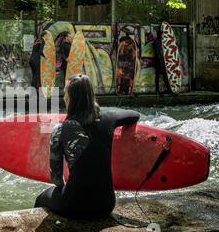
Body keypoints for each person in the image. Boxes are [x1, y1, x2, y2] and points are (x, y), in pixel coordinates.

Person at [34, 74, 140, 219]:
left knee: (41, 198)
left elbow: (57, 180)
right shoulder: (109, 120)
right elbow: (134, 115)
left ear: (70, 98)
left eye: (65, 93)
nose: (64, 97)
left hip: (74, 205)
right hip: (106, 205)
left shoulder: (60, 130)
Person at [153, 30, 173, 96]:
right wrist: (160, 61)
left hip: (161, 62)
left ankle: (168, 89)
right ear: (160, 35)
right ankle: (158, 90)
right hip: (159, 62)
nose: (163, 36)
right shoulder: (156, 42)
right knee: (158, 76)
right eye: (162, 35)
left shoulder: (160, 42)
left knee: (164, 76)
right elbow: (157, 53)